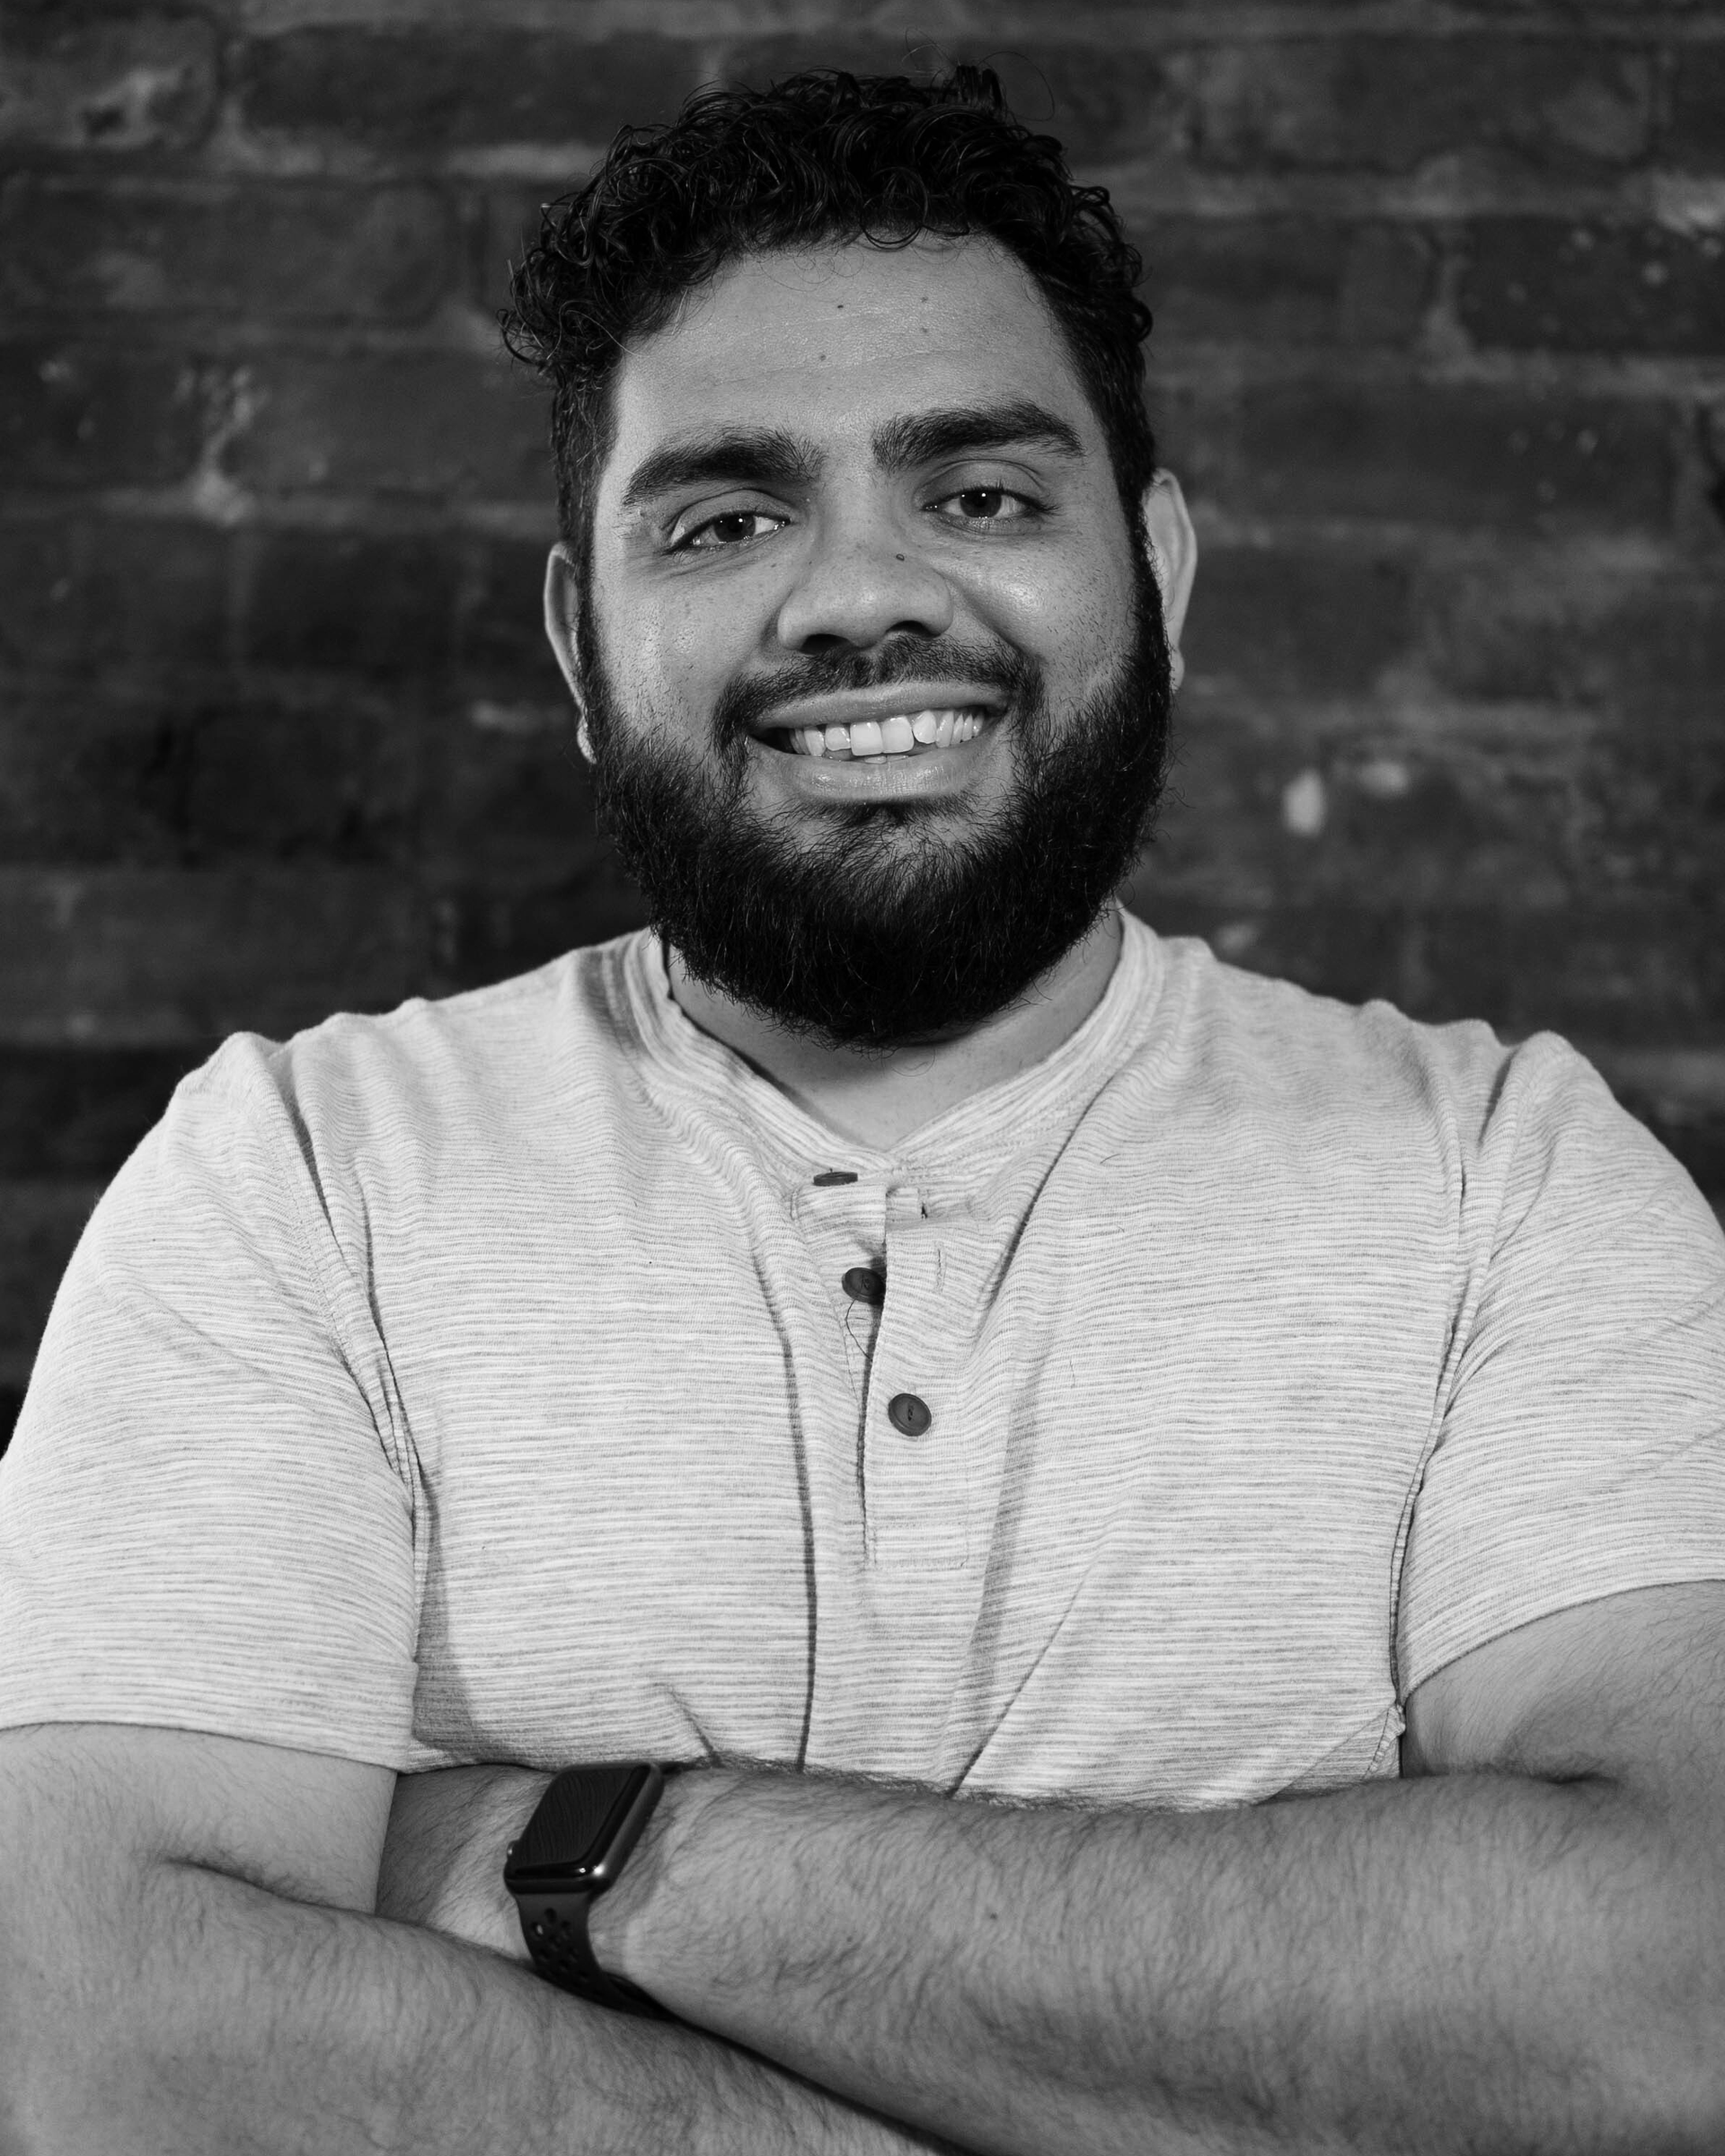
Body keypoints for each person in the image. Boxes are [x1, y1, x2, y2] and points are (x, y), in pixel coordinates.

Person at [1, 65, 1722, 2156]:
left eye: (981, 493)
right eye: (725, 518)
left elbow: (1673, 1995)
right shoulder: (298, 1182)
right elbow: (88, 2039)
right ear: (579, 640)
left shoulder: (1509, 1187)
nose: (853, 596)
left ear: (1158, 570)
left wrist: (586, 1852)